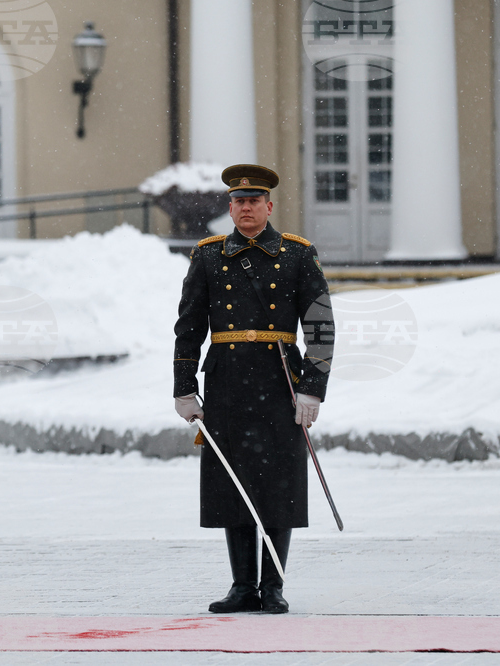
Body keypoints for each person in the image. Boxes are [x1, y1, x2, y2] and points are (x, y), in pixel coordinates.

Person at [173, 164, 334, 614]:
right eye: (238, 201)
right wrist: (184, 388)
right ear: (230, 207)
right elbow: (188, 328)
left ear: (268, 206)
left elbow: (320, 326)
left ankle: (273, 587)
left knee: (277, 485)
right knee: (233, 484)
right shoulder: (207, 255)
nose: (246, 207)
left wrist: (312, 389)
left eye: (254, 200)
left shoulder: (298, 254)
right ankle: (242, 586)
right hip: (225, 382)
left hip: (280, 380)